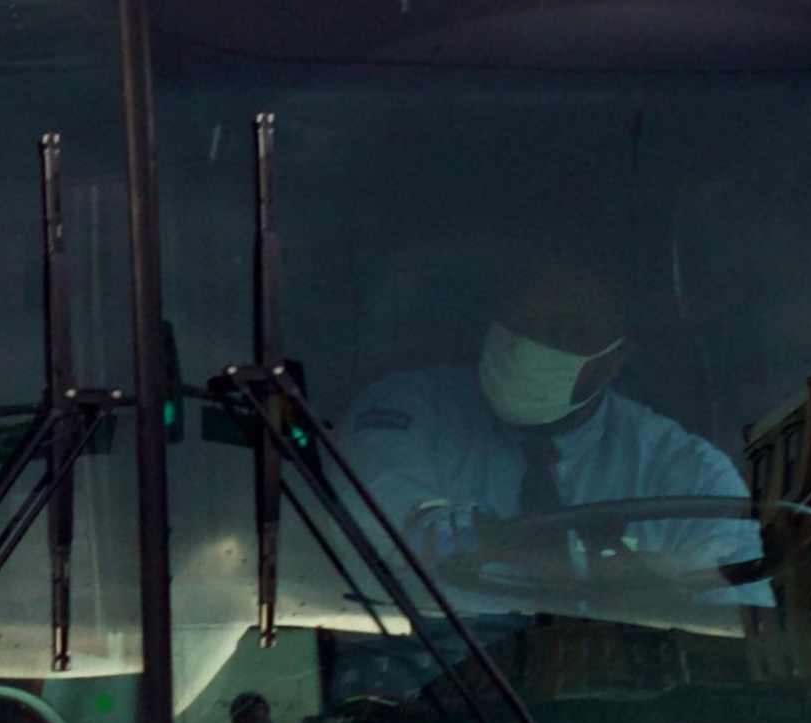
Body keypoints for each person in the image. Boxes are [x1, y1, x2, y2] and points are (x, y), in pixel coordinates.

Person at [324, 256, 765, 619]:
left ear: (615, 359)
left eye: (563, 330)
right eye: (518, 322)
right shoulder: (405, 412)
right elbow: (374, 500)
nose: (527, 344)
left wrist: (666, 601)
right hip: (429, 690)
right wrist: (448, 531)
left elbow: (743, 633)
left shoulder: (692, 479)